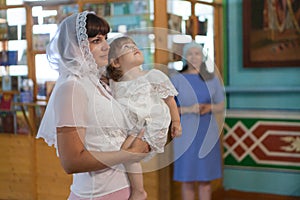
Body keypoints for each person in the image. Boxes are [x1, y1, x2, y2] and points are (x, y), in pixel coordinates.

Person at [36, 11, 150, 200]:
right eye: (97, 41)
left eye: (105, 39)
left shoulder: (97, 83)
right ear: (75, 47)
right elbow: (72, 161)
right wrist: (127, 154)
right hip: (97, 195)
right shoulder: (71, 88)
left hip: (121, 190)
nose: (107, 46)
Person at [106, 36, 182, 200]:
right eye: (126, 47)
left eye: (134, 44)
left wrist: (176, 121)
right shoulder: (115, 84)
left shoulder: (152, 75)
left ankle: (138, 191)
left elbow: (169, 99)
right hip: (133, 126)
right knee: (124, 154)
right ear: (116, 62)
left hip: (152, 123)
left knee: (127, 155)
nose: (133, 47)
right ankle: (136, 189)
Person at [171, 41, 225, 200]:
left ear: (203, 57)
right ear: (185, 57)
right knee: (186, 179)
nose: (194, 57)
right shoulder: (176, 79)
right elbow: (168, 108)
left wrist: (209, 108)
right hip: (185, 133)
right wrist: (189, 109)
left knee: (205, 178)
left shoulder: (212, 79)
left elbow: (221, 105)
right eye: (190, 54)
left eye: (197, 53)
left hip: (207, 132)